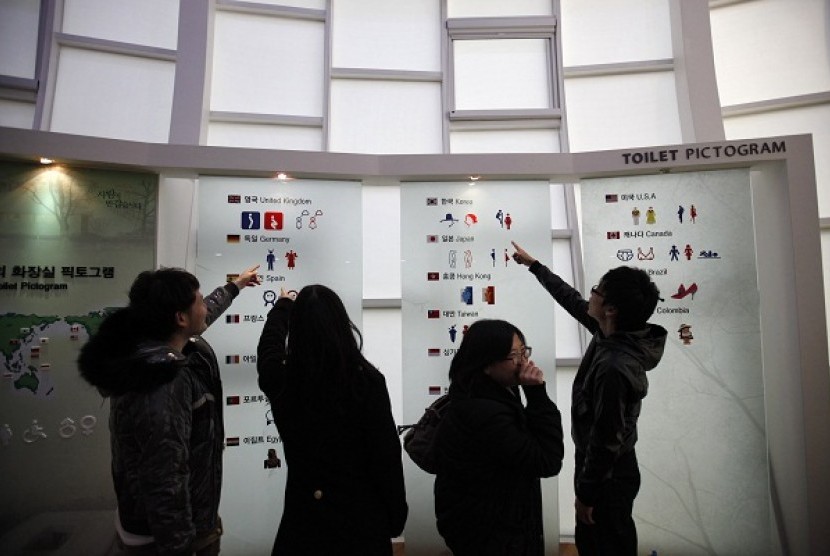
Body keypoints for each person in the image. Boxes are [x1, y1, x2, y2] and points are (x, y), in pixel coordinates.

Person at [78, 265, 261, 555]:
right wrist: (181, 546)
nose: (204, 307)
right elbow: (165, 479)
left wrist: (234, 287)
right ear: (179, 317)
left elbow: (202, 315)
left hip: (162, 526)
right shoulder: (161, 382)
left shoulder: (150, 343)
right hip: (169, 538)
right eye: (199, 301)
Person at [511, 241, 667, 556]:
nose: (590, 295)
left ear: (610, 309)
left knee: (603, 543)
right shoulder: (613, 333)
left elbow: (607, 439)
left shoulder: (614, 366)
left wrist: (586, 493)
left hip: (607, 474)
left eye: (597, 290)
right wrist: (535, 266)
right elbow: (572, 300)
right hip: (610, 468)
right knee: (608, 538)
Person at [256, 285, 408, 556]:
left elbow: (269, 348)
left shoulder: (283, 381)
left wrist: (282, 307)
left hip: (303, 524)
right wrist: (395, 517)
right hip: (361, 524)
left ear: (296, 328)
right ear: (342, 323)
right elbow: (386, 458)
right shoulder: (367, 382)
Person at [434, 319, 564, 556]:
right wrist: (537, 395)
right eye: (513, 355)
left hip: (488, 527)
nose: (523, 362)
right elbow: (547, 460)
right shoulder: (485, 413)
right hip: (494, 535)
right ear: (485, 365)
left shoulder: (483, 393)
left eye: (524, 352)